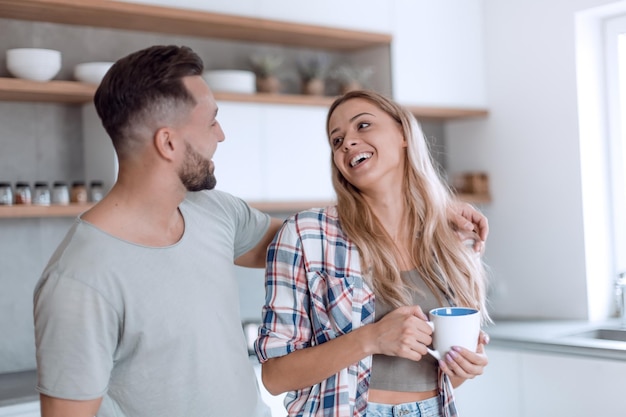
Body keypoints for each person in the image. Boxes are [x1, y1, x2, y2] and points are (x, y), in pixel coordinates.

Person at [33, 45, 487, 417]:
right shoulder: (79, 280)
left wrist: (435, 210)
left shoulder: (213, 213)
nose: (222, 135)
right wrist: (370, 337)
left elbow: (335, 238)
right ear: (168, 143)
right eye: (211, 120)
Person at [255, 90, 491, 417]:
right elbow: (274, 376)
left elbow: (443, 375)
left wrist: (461, 369)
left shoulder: (451, 238)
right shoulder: (307, 234)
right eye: (336, 140)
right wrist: (372, 338)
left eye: (362, 126)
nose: (347, 142)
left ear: (403, 133)